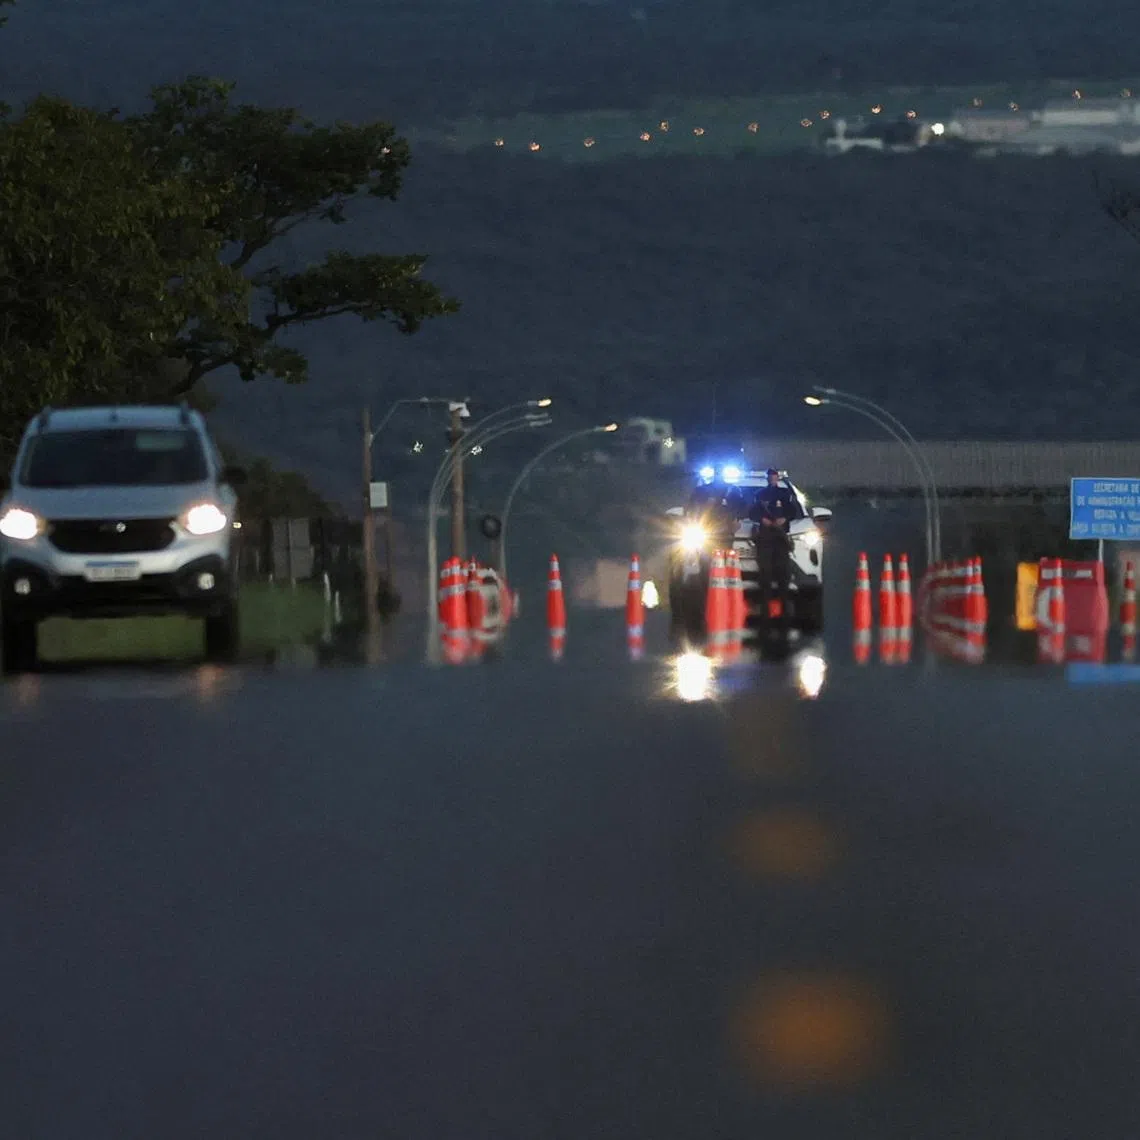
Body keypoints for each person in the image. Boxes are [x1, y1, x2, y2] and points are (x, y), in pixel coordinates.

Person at [748, 469, 797, 628]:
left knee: (783, 574)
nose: (772, 479)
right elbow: (753, 513)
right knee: (766, 574)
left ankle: (784, 610)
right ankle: (765, 611)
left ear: (777, 478)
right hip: (765, 539)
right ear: (767, 478)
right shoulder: (759, 494)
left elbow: (792, 511)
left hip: (781, 539)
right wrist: (763, 520)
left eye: (774, 477)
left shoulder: (785, 493)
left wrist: (784, 519)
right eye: (770, 477)